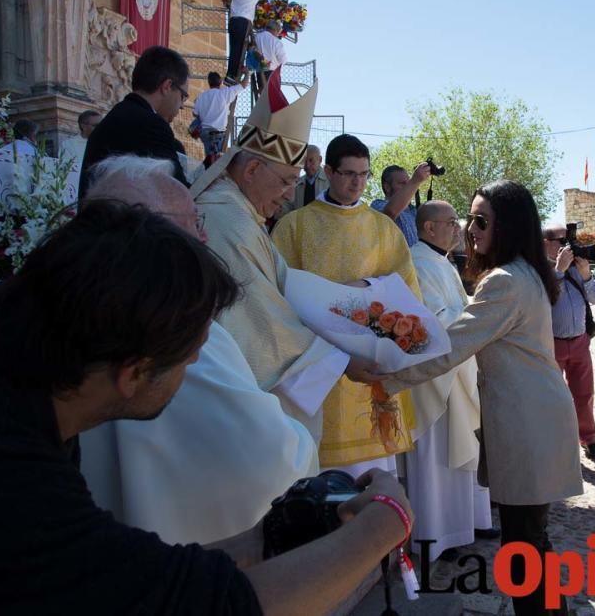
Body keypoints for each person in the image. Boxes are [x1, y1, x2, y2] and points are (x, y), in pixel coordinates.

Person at [0, 200, 414, 614]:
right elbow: (202, 601)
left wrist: (268, 534)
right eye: (192, 354)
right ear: (132, 372)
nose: (199, 361)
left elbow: (135, 575)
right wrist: (383, 524)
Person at [77, 155, 318, 545]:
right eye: (192, 224)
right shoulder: (176, 324)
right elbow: (268, 457)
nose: (204, 238)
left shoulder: (71, 300)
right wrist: (302, 437)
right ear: (140, 229)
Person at [383, 180, 584, 616]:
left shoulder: (506, 281)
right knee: (532, 542)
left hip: (528, 425)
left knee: (524, 550)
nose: (470, 230)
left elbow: (451, 346)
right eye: (469, 219)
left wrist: (381, 377)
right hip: (533, 419)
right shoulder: (520, 273)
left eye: (480, 220)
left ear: (507, 226)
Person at [190, 76, 378, 443]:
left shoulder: (239, 212)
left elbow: (282, 286)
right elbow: (261, 325)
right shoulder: (228, 223)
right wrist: (340, 360)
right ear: (252, 170)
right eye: (285, 181)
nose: (290, 193)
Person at [271, 134, 421, 474]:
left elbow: (408, 290)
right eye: (349, 173)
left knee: (374, 477)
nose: (357, 183)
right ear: (328, 171)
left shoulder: (383, 228)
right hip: (317, 364)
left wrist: (367, 287)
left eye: (364, 174)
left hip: (371, 361)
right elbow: (277, 295)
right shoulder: (295, 226)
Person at [405, 200, 494, 562]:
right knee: (436, 457)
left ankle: (467, 523)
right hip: (435, 378)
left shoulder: (440, 261)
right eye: (451, 222)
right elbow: (434, 318)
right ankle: (435, 535)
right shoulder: (417, 262)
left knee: (463, 448)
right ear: (428, 228)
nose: (459, 228)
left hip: (459, 370)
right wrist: (478, 317)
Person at [79, 45, 190, 200]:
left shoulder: (115, 117)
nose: (182, 105)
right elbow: (179, 193)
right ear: (167, 86)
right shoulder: (152, 125)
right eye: (183, 96)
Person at [543, 223, 595, 461]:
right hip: (552, 343)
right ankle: (555, 441)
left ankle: (588, 439)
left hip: (580, 341)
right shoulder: (538, 270)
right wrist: (558, 271)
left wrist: (586, 274)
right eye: (561, 241)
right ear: (545, 243)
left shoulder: (578, 267)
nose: (567, 246)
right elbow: (541, 300)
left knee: (584, 394)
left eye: (569, 241)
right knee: (553, 397)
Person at [223, 0, 267, 84]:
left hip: (233, 20)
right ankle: (232, 76)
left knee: (234, 48)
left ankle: (231, 74)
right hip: (244, 21)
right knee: (239, 48)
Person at [370, 163, 432, 246]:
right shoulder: (377, 205)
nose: (408, 186)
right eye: (402, 183)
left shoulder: (415, 212)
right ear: (387, 187)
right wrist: (415, 181)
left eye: (409, 182)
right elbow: (390, 212)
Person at [192, 71, 247, 158]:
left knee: (210, 159)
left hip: (204, 133)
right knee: (214, 162)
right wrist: (247, 72)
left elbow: (195, 114)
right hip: (216, 134)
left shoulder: (201, 96)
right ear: (220, 82)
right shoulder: (224, 93)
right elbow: (244, 85)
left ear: (209, 83)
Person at [280, 144, 328, 214]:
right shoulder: (296, 184)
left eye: (311, 160)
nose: (307, 165)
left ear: (320, 160)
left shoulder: (330, 182)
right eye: (304, 161)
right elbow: (287, 207)